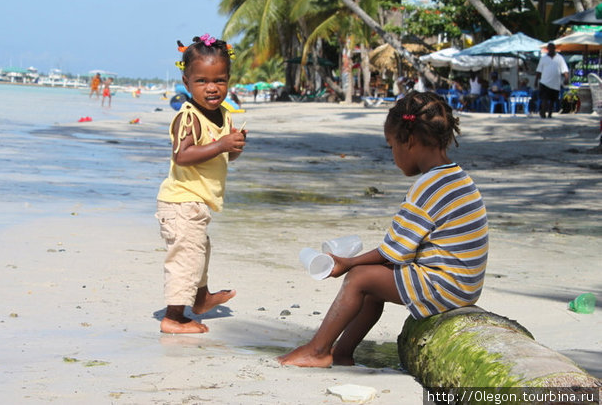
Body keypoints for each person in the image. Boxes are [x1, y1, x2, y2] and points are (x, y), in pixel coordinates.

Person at [278, 91, 488, 367]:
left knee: (360, 278)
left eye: (391, 147)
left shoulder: (429, 187)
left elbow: (393, 253)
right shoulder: (458, 177)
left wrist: (348, 263)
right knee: (373, 285)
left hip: (446, 287)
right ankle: (341, 353)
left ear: (409, 141)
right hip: (465, 286)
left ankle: (318, 350)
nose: (393, 155)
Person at [155, 34, 246, 334]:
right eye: (202, 81)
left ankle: (202, 298)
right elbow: (182, 155)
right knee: (186, 257)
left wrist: (231, 150)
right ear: (186, 81)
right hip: (181, 201)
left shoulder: (223, 115)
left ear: (229, 80)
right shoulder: (188, 117)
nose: (211, 88)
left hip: (196, 203)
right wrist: (221, 145)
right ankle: (173, 317)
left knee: (199, 251)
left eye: (219, 80)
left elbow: (219, 158)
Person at [535, 42, 569, 118]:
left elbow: (564, 69)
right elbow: (538, 71)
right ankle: (543, 112)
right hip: (544, 82)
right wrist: (536, 81)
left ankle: (550, 113)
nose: (551, 50)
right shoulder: (543, 58)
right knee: (545, 99)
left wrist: (566, 78)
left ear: (554, 49)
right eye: (549, 48)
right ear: (547, 49)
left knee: (553, 100)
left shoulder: (559, 58)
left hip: (555, 83)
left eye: (552, 48)